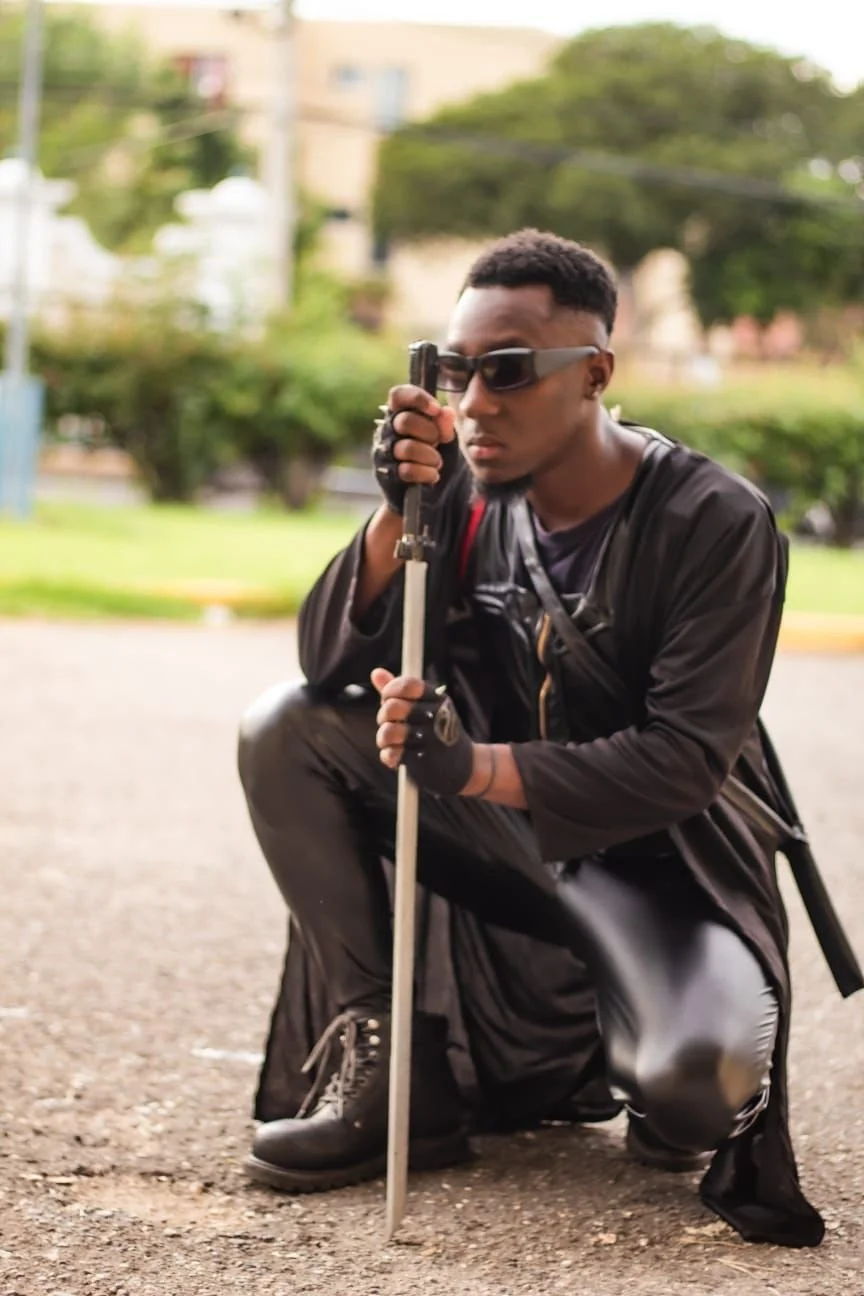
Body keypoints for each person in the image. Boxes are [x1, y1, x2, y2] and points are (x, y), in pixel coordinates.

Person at [238, 229, 861, 1247]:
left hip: (668, 868)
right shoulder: (461, 494)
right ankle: (393, 1075)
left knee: (696, 1088)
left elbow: (684, 761)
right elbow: (323, 669)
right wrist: (397, 519)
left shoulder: (715, 520)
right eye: (457, 371)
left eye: (511, 369)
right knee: (285, 730)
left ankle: (649, 1042)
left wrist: (472, 766)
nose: (477, 402)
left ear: (596, 374)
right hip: (518, 844)